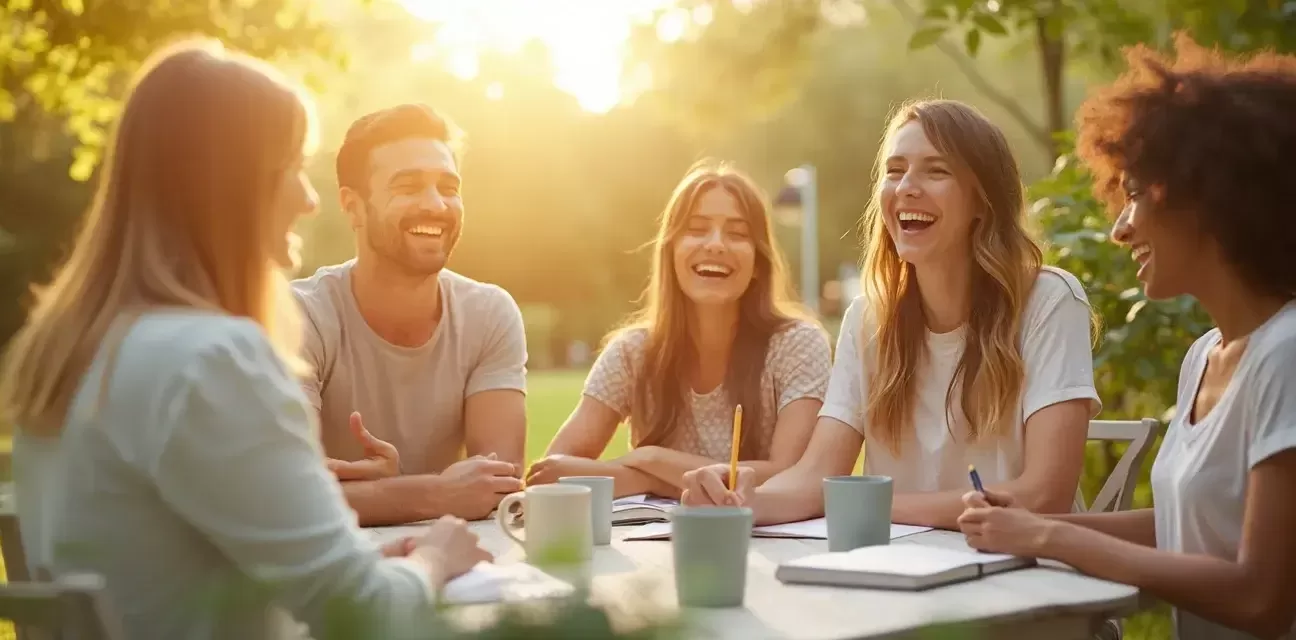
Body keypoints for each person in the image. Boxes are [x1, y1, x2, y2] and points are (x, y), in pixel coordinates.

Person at [0, 40, 490, 640]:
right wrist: (435, 558)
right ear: (230, 185)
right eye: (293, 169)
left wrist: (361, 565)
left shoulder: (73, 351)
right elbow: (366, 617)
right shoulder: (210, 361)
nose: (310, 200)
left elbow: (169, 568)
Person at [954, 34, 1296, 640]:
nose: (1119, 228)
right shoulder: (1204, 356)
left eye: (1135, 196)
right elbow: (1183, 525)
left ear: (1209, 199)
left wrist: (1051, 535)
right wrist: (1029, 527)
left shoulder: (1286, 353)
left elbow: (1260, 597)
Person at [681, 100, 1101, 530]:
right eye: (895, 170)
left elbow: (1045, 495)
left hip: (1020, 564)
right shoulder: (868, 319)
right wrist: (743, 503)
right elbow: (816, 476)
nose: (906, 188)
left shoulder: (1048, 300)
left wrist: (869, 506)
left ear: (983, 200)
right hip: (900, 563)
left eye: (936, 171)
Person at [526, 161, 832, 497]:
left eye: (737, 234)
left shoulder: (798, 345)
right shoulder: (631, 353)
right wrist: (656, 479)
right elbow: (552, 474)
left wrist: (651, 461)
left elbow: (792, 473)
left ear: (758, 262)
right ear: (670, 251)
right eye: (697, 229)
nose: (715, 244)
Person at [292, 103, 527, 525]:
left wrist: (382, 495)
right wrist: (432, 494)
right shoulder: (301, 316)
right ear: (353, 206)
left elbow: (498, 487)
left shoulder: (489, 314)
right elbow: (286, 495)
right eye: (408, 186)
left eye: (448, 187)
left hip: (455, 558)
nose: (435, 205)